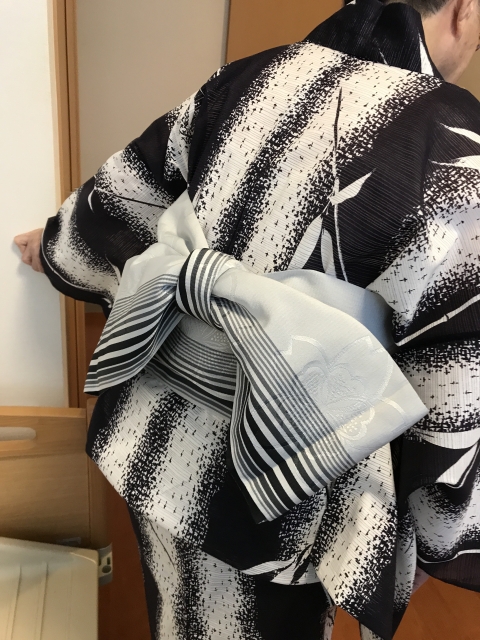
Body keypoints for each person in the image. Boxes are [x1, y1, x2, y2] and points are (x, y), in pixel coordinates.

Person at [15, 0, 480, 638]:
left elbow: (122, 198)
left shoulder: (249, 75)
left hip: (155, 432)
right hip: (286, 472)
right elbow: (458, 377)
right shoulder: (457, 148)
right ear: (463, 9)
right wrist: (432, 538)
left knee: (177, 608)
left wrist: (54, 242)